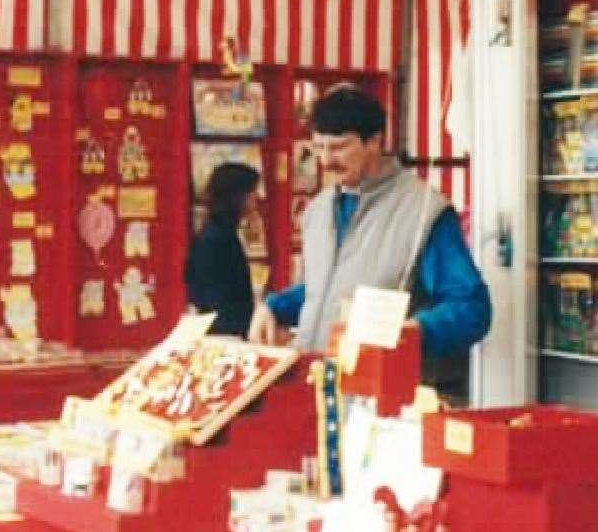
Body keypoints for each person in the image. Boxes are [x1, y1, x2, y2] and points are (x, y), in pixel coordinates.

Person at [248, 86, 491, 376]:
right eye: (319, 147)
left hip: (387, 396)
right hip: (317, 388)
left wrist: (412, 331)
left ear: (375, 142)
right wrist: (276, 307)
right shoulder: (317, 210)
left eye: (339, 147)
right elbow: (326, 286)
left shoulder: (424, 211)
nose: (326, 161)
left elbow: (472, 307)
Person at [186, 162, 259, 337]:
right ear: (236, 196)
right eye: (252, 191)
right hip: (223, 335)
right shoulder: (218, 239)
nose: (257, 197)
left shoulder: (218, 232)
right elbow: (219, 302)